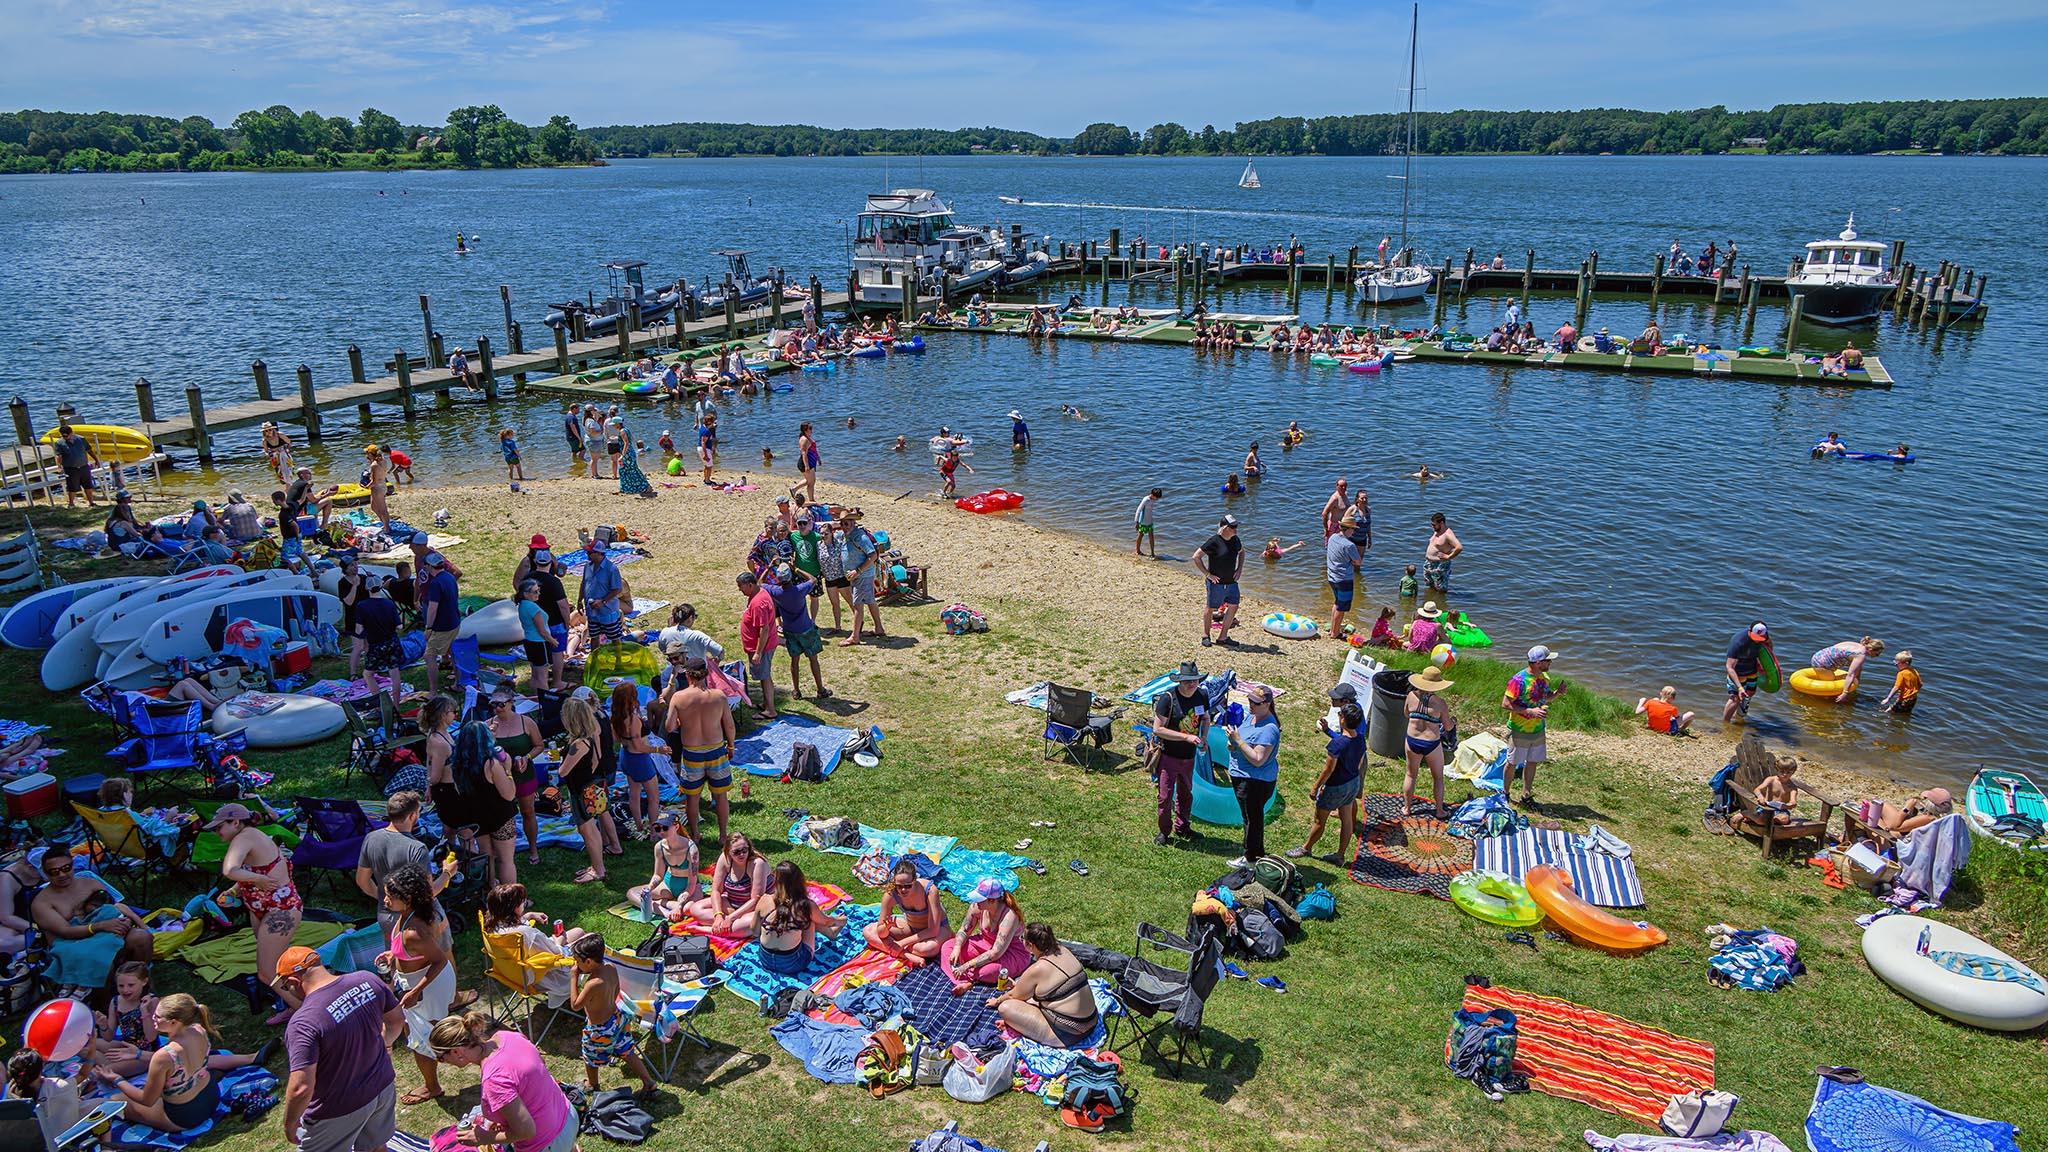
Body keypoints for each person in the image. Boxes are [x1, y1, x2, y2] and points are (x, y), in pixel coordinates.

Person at [277, 946, 403, 1152]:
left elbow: (301, 1088)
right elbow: (396, 1020)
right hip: (382, 1087)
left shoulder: (303, 1023)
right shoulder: (366, 980)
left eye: (285, 987)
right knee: (376, 1148)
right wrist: (386, 1043)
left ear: (293, 982)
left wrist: (290, 1124)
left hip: (337, 1108)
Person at [428, 1013, 579, 1152]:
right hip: (568, 1115)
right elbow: (537, 1073)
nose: (443, 1062)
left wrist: (483, 1137)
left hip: (548, 1143)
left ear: (456, 1052)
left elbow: (527, 1131)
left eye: (440, 1057)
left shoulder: (493, 1079)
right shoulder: (506, 1036)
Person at [212, 803, 302, 1022]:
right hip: (265, 910)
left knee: (266, 972)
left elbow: (230, 870)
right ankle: (293, 1003)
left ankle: (306, 1012)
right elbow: (259, 870)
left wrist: (258, 879)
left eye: (219, 827)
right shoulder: (252, 837)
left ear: (236, 822)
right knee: (281, 964)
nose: (216, 832)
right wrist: (235, 890)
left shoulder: (244, 837)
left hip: (280, 911)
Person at [378, 863, 455, 1105]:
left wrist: (414, 991)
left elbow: (439, 960)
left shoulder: (414, 931)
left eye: (390, 896)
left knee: (420, 1041)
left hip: (426, 986)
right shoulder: (414, 910)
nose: (385, 900)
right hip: (419, 981)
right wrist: (394, 955)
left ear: (408, 898)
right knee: (423, 1034)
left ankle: (432, 1087)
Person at [31, 846, 153, 999]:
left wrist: (124, 921)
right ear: (45, 873)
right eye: (54, 872)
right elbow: (65, 932)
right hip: (71, 945)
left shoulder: (90, 884)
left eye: (66, 868)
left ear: (72, 865)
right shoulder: (41, 903)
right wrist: (100, 926)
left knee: (142, 938)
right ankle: (106, 1007)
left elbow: (113, 909)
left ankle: (139, 987)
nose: (62, 874)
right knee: (101, 963)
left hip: (105, 935)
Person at [91, 993, 224, 1132]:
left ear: (174, 1022)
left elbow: (146, 1100)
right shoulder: (198, 1030)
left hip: (185, 1117)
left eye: (158, 1016)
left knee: (115, 1100)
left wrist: (117, 1079)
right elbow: (177, 1058)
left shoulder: (163, 1056)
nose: (153, 1017)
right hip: (212, 1095)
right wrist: (138, 1054)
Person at [355, 790, 451, 942]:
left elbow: (362, 880)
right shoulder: (417, 848)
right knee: (441, 955)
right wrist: (448, 873)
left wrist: (383, 897)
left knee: (395, 958)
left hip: (386, 917)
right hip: (417, 919)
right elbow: (428, 893)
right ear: (412, 816)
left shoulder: (371, 838)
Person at [567, 934, 656, 1097]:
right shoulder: (610, 967)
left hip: (600, 1028)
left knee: (590, 1056)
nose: (576, 965)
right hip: (617, 1018)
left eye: (577, 961)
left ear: (588, 962)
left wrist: (574, 977)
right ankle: (649, 1082)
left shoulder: (592, 984)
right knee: (627, 1050)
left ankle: (592, 1084)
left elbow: (575, 1005)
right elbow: (615, 992)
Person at [986, 923, 1099, 1048]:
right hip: (1091, 1020)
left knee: (1006, 1008)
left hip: (1069, 1033)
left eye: (1022, 938)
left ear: (1030, 945)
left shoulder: (1038, 969)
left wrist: (997, 1001)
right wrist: (1016, 986)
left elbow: (1013, 996)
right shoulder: (1062, 950)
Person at [665, 656, 736, 843]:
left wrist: (682, 720)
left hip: (692, 752)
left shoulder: (679, 697)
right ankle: (722, 836)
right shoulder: (719, 696)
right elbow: (729, 725)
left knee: (692, 798)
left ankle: (695, 834)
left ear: (687, 675)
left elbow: (669, 727)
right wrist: (731, 745)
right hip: (716, 750)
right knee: (721, 796)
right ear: (706, 673)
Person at [444, 719, 519, 888]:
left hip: (476, 818)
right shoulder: (491, 764)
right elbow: (509, 794)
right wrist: (507, 770)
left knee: (487, 857)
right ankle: (512, 900)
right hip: (500, 817)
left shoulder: (456, 765)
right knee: (506, 860)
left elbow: (458, 792)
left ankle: (491, 891)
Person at [481, 883, 584, 1003]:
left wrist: (528, 916)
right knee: (590, 938)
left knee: (578, 932)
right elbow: (556, 954)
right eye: (522, 902)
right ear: (515, 908)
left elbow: (513, 927)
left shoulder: (492, 927)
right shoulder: (527, 934)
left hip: (513, 974)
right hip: (544, 976)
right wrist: (558, 941)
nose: (524, 904)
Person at [1293, 698, 1365, 863]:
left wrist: (1315, 787)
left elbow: (1328, 770)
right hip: (1353, 782)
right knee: (1346, 819)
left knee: (1319, 820)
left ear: (1343, 720)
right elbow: (1360, 761)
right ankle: (1340, 856)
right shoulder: (1360, 738)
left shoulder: (1337, 744)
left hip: (1335, 786)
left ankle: (1306, 848)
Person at [558, 695, 619, 885]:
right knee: (591, 828)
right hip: (592, 786)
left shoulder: (578, 744)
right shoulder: (588, 737)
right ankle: (596, 865)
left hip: (582, 791)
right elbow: (595, 761)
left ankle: (599, 869)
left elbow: (563, 771)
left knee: (588, 830)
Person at [1150, 660, 1208, 845]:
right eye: (1187, 681)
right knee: (1165, 796)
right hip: (1169, 756)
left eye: (1195, 681)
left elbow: (1205, 718)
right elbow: (1158, 730)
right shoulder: (1168, 699)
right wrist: (1186, 738)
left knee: (1186, 793)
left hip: (1189, 758)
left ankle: (1183, 827)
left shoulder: (1201, 695)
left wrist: (1203, 737)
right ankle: (1164, 831)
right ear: (1179, 682)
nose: (1192, 685)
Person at [1222, 684, 1281, 867]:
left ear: (1268, 704)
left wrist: (1239, 741)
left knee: (1252, 820)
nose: (1251, 705)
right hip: (1242, 776)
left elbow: (1258, 759)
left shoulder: (1270, 728)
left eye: (1256, 703)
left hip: (1255, 781)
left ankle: (1250, 857)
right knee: (1249, 817)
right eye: (1250, 701)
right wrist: (1233, 743)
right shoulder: (1252, 717)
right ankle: (1257, 853)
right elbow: (1245, 742)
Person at [754, 859, 845, 976]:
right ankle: (830, 934)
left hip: (765, 959)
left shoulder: (764, 899)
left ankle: (828, 933)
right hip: (793, 963)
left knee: (800, 921)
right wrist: (841, 920)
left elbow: (755, 931)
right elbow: (826, 921)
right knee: (810, 920)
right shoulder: (805, 905)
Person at [1503, 646, 1565, 807]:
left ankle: (1526, 795)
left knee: (1532, 761)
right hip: (1519, 729)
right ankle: (1505, 794)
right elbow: (1506, 704)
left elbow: (1546, 698)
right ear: (1538, 663)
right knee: (1512, 763)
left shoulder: (1544, 678)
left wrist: (1557, 693)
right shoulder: (1518, 681)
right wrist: (1530, 711)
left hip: (1538, 729)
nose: (1550, 662)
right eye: (1548, 660)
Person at [488, 691, 545, 864]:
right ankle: (502, 852)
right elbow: (481, 752)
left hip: (523, 775)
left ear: (511, 702)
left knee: (528, 812)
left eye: (501, 704)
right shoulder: (488, 726)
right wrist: (491, 739)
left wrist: (526, 757)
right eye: (493, 704)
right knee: (502, 815)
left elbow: (539, 745)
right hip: (498, 778)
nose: (497, 708)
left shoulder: (526, 722)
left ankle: (533, 848)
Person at [862, 858, 952, 966]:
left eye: (908, 886)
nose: (903, 890)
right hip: (911, 927)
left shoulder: (929, 891)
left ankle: (899, 949)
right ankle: (906, 955)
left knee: (926, 949)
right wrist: (886, 927)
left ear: (915, 880)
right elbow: (881, 933)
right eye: (899, 886)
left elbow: (933, 930)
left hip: (938, 930)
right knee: (868, 930)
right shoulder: (891, 895)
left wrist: (901, 943)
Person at [684, 832, 770, 937]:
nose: (742, 854)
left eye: (744, 850)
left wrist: (731, 918)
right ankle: (724, 926)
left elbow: (756, 899)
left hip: (752, 908)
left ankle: (709, 930)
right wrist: (718, 915)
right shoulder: (725, 859)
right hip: (730, 903)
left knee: (742, 927)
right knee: (695, 909)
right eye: (736, 852)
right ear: (728, 852)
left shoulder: (757, 864)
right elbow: (716, 890)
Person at [766, 563, 829, 699]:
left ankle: (796, 690)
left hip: (789, 630)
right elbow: (813, 579)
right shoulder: (800, 589)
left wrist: (769, 567)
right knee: (813, 659)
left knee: (794, 661)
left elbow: (759, 584)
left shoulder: (776, 592)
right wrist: (798, 569)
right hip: (806, 629)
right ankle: (820, 689)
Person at [610, 681, 663, 840]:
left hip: (625, 756)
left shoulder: (615, 717)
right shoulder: (633, 720)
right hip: (639, 759)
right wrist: (659, 750)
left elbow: (616, 738)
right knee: (654, 797)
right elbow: (639, 747)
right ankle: (654, 832)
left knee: (634, 793)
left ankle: (639, 824)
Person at [626, 812, 700, 921]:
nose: (661, 831)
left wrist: (679, 905)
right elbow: (658, 875)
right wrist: (649, 888)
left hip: (688, 886)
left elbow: (691, 884)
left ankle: (663, 903)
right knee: (632, 893)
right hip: (668, 884)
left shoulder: (691, 850)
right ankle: (665, 911)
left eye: (665, 828)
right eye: (657, 829)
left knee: (688, 909)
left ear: (676, 827)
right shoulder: (659, 847)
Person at [1403, 666, 1456, 818]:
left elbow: (1406, 714)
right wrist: (1453, 721)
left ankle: (1407, 808)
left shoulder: (1411, 696)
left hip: (1412, 740)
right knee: (1438, 777)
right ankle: (1439, 810)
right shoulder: (1440, 703)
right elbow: (1447, 727)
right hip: (1431, 743)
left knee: (1410, 774)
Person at [735, 570, 782, 719]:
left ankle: (770, 710)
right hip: (762, 645)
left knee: (765, 676)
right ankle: (765, 704)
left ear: (750, 584)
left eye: (741, 586)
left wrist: (758, 652)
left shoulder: (758, 603)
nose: (739, 590)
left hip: (763, 647)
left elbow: (765, 628)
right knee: (763, 675)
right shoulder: (758, 592)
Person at [838, 509, 886, 647]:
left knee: (857, 604)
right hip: (859, 575)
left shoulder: (861, 537)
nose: (844, 526)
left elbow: (873, 556)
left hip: (862, 575)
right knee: (870, 601)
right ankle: (879, 628)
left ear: (853, 523)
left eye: (846, 523)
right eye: (842, 524)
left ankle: (855, 636)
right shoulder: (846, 535)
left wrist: (858, 571)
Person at [1196, 514, 1244, 647]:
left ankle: (1223, 637)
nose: (1236, 529)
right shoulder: (1214, 541)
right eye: (1233, 527)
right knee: (1211, 608)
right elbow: (1196, 557)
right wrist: (1207, 574)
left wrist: (1239, 569)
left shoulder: (1235, 540)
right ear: (1224, 528)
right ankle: (1206, 635)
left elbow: (1242, 552)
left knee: (1234, 606)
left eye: (1236, 526)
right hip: (1216, 583)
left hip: (1232, 582)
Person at [421, 551, 460, 697]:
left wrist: (429, 628)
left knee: (430, 657)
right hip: (454, 622)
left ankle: (432, 691)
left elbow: (432, 608)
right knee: (453, 653)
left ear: (430, 567)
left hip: (442, 626)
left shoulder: (435, 584)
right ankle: (458, 683)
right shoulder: (450, 577)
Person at [580, 536, 626, 649]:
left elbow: (617, 589)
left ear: (599, 553)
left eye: (590, 552)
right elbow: (583, 583)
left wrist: (603, 601)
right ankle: (595, 661)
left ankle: (618, 661)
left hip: (607, 611)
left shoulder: (611, 569)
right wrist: (579, 600)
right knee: (594, 637)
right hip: (592, 610)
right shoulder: (587, 566)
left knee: (615, 638)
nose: (587, 555)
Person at [1851, 787, 1953, 837]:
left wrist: (1906, 808)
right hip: (1901, 832)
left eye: (1925, 799)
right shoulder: (1940, 819)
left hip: (1894, 838)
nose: (1922, 800)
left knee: (1871, 813)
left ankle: (1845, 838)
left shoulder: (1928, 818)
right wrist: (1912, 813)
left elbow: (1895, 826)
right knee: (1880, 806)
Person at [0, 847, 46, 954]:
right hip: (15, 920)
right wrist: (37, 928)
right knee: (5, 942)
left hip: (42, 911)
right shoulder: (6, 880)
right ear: (30, 868)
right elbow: (6, 917)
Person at [1811, 636, 1886, 702]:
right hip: (1822, 664)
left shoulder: (1857, 646)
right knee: (1830, 690)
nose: (1877, 656)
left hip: (1817, 656)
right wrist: (1845, 693)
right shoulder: (1861, 655)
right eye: (1877, 654)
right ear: (1870, 649)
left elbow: (1858, 668)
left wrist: (1856, 684)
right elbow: (1851, 675)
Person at [1325, 514, 1364, 639]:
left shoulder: (1332, 538)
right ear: (1348, 529)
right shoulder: (1349, 545)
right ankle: (1335, 633)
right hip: (1344, 579)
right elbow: (1358, 562)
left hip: (1331, 576)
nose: (1354, 531)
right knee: (1341, 608)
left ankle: (1333, 629)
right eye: (1353, 529)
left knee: (1337, 603)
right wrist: (1351, 562)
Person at [1723, 621, 1770, 724]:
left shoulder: (1765, 637)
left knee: (1750, 693)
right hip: (1737, 672)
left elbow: (1768, 648)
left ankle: (1739, 718)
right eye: (1756, 638)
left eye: (1760, 639)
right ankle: (1725, 725)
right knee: (1736, 698)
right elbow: (1729, 667)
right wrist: (1739, 688)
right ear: (1749, 631)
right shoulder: (1738, 641)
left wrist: (1767, 666)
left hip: (1752, 669)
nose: (1758, 641)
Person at [52, 423, 99, 508]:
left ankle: (91, 502)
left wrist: (96, 460)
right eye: (63, 436)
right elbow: (58, 455)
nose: (66, 437)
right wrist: (59, 466)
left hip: (83, 466)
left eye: (67, 435)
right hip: (71, 468)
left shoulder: (81, 439)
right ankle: (71, 503)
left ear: (71, 433)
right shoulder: (59, 443)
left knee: (88, 486)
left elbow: (89, 450)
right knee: (72, 487)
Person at [1425, 512, 1461, 593]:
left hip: (1440, 565)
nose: (1432, 526)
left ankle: (1441, 604)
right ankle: (1430, 601)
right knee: (1430, 587)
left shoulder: (1448, 534)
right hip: (1429, 564)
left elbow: (1459, 547)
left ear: (1441, 523)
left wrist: (1448, 557)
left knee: (1441, 589)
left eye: (1434, 525)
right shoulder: (1437, 530)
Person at [1880, 650, 1922, 715]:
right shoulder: (1914, 671)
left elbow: (1896, 687)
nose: (1895, 665)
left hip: (1904, 699)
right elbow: (1920, 684)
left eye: (1897, 663)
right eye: (1895, 662)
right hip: (1913, 699)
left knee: (1888, 712)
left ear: (1906, 663)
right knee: (1906, 713)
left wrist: (1888, 699)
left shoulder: (1901, 673)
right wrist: (1913, 692)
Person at [363, 445, 393, 530]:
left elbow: (374, 481)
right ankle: (384, 523)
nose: (366, 455)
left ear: (370, 454)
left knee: (382, 509)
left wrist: (366, 487)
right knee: (374, 507)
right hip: (382, 485)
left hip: (377, 488)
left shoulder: (374, 465)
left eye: (367, 453)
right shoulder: (382, 461)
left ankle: (387, 528)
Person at [1134, 487, 1162, 557]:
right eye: (1157, 498)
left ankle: (1152, 553)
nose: (1157, 499)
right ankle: (1137, 550)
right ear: (1152, 495)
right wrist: (1136, 522)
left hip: (1150, 521)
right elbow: (1138, 510)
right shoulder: (1146, 500)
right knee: (1140, 535)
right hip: (1143, 521)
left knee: (1151, 536)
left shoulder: (1152, 500)